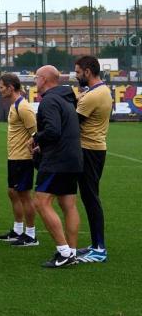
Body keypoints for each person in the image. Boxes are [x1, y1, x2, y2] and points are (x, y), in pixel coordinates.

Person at [32, 65, 83, 268]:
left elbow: (53, 131)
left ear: (44, 79)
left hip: (57, 160)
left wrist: (36, 138)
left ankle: (64, 252)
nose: (35, 81)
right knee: (68, 205)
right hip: (73, 159)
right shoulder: (66, 98)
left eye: (36, 77)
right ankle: (71, 251)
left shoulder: (50, 100)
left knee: (41, 202)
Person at [74, 55, 111, 263]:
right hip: (95, 149)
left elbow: (73, 123)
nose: (77, 76)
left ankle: (99, 249)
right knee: (90, 198)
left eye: (78, 72)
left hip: (89, 150)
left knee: (91, 199)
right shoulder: (101, 90)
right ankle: (96, 245)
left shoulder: (92, 96)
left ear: (88, 72)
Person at [0, 73, 38, 247]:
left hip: (23, 158)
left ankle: (30, 235)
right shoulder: (15, 105)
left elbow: (36, 132)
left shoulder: (23, 107)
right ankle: (18, 230)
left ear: (10, 87)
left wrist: (33, 147)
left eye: (1, 87)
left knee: (24, 195)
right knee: (12, 192)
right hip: (14, 157)